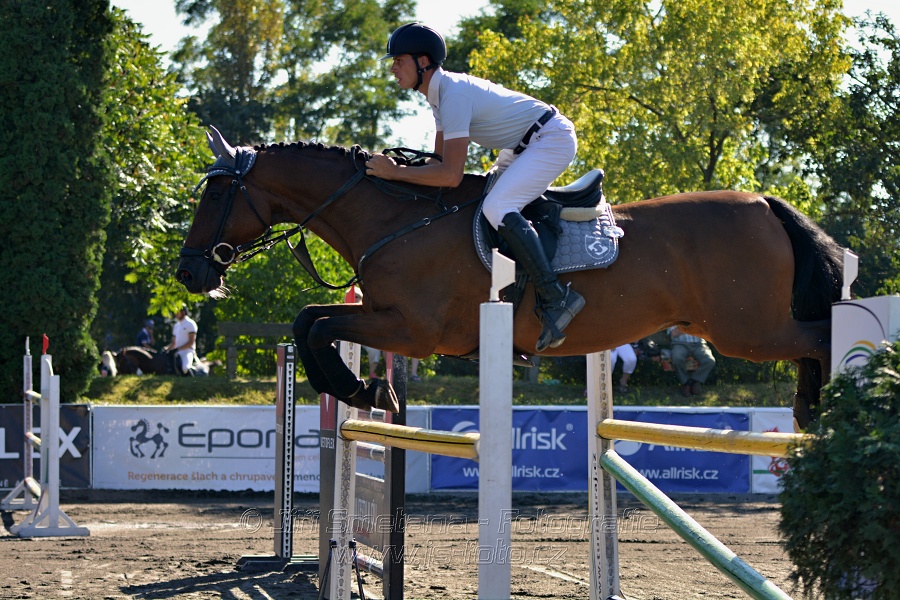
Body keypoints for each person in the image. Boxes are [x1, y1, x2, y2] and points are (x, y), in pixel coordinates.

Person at [366, 22, 584, 352]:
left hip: (550, 139)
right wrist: (399, 177)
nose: (393, 68)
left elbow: (450, 175)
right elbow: (437, 163)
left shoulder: (452, 96)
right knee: (483, 203)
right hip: (525, 144)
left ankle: (557, 296)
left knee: (497, 207)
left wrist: (394, 172)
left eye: (399, 60)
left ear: (423, 62)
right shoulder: (439, 97)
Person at [666, 326, 716, 396]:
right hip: (680, 344)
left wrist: (684, 329)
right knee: (677, 358)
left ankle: (692, 382)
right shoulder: (677, 317)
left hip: (699, 344)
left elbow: (705, 331)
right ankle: (685, 382)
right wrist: (692, 328)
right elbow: (674, 333)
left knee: (709, 361)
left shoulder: (698, 317)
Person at [166, 306, 198, 376]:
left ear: (183, 312)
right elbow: (173, 343)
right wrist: (166, 349)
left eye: (178, 312)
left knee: (185, 368)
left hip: (187, 351)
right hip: (177, 351)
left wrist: (177, 349)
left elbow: (191, 343)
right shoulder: (176, 325)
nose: (176, 314)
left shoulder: (190, 323)